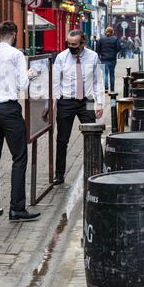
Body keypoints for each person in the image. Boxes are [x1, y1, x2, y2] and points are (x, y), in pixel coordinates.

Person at [0, 20, 40, 221]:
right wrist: (31, 74)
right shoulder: (16, 55)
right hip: (9, 109)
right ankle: (16, 208)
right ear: (14, 35)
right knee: (19, 157)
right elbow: (22, 85)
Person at [52, 30, 105, 185]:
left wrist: (100, 103)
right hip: (66, 102)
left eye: (74, 44)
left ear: (83, 43)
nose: (71, 47)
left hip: (86, 100)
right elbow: (56, 82)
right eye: (68, 43)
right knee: (62, 139)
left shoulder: (93, 56)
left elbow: (98, 81)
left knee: (93, 135)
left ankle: (99, 170)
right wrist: (53, 105)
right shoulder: (61, 57)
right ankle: (59, 174)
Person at [96, 27, 121, 93]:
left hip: (104, 59)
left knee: (105, 74)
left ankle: (106, 88)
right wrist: (114, 52)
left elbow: (97, 49)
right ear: (112, 32)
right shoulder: (115, 39)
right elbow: (118, 48)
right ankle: (112, 89)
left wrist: (100, 55)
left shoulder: (101, 39)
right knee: (112, 74)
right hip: (112, 59)